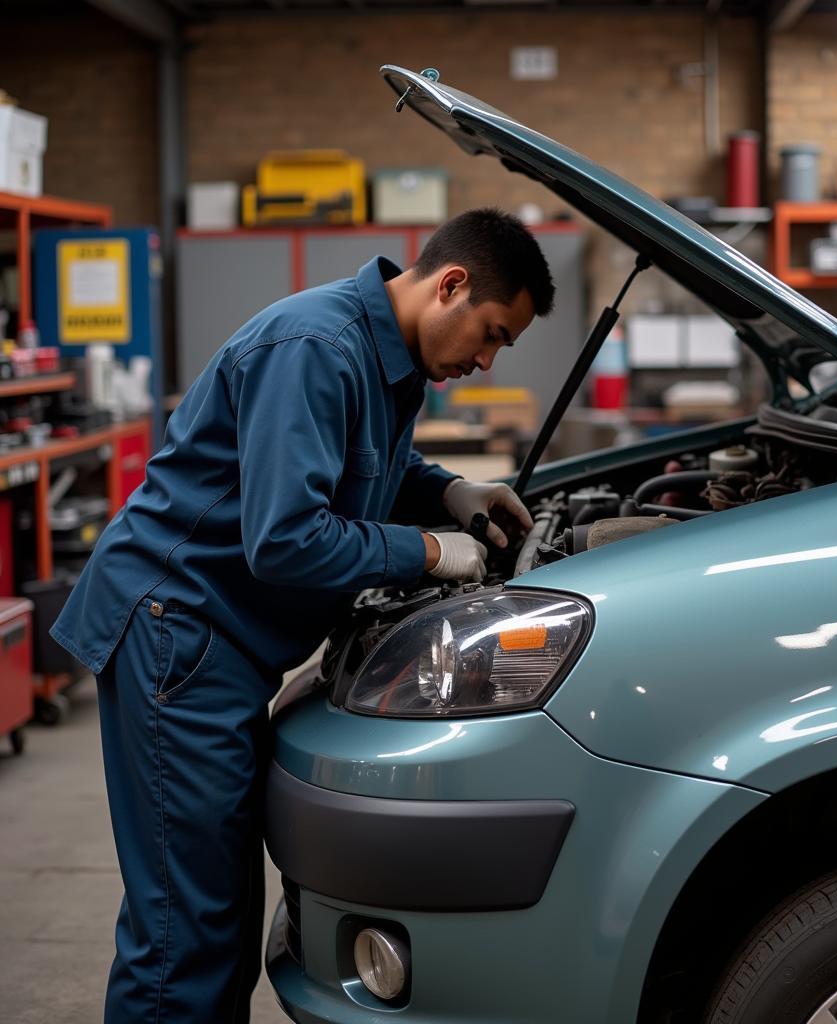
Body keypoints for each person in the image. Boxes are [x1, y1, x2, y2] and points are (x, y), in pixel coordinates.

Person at [50, 207, 555, 1023]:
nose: (486, 359)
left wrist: (447, 491)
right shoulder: (316, 348)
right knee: (187, 929)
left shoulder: (386, 360)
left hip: (220, 638)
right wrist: (427, 552)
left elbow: (366, 463)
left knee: (217, 910)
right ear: (451, 285)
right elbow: (285, 541)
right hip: (176, 628)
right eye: (492, 333)